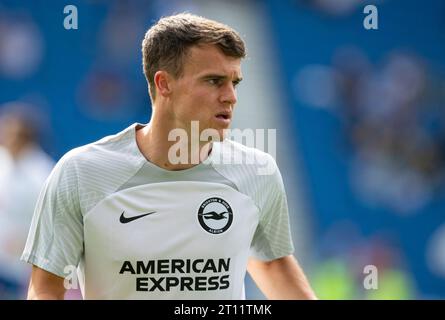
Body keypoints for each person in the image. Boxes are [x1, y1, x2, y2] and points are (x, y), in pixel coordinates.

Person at [21, 13, 316, 300]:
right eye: (214, 81)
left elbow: (270, 263)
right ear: (164, 84)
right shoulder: (81, 172)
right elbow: (47, 288)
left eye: (234, 82)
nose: (230, 96)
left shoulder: (257, 171)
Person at [0, 103, 54, 298]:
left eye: (11, 132)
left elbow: (51, 226)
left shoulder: (42, 175)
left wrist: (23, 243)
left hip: (23, 270)